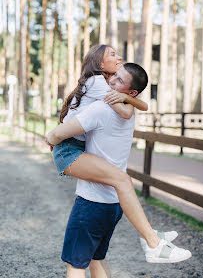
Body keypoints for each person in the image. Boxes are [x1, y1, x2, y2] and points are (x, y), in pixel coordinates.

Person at [46, 62, 191, 276]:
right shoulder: (129, 111)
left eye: (119, 80)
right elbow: (137, 105)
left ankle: (153, 243)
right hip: (114, 205)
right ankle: (152, 238)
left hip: (92, 202)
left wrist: (49, 137)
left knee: (75, 265)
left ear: (131, 92)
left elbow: (59, 134)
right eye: (114, 75)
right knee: (97, 259)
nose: (111, 81)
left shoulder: (100, 109)